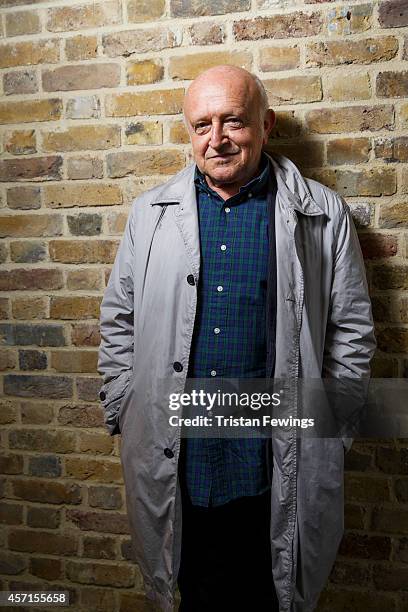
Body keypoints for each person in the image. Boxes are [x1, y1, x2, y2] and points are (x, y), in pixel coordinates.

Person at [97, 65, 376, 612]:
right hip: (182, 459)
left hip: (276, 459)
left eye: (233, 122)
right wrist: (123, 405)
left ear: (265, 125)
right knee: (191, 591)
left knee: (271, 591)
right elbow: (118, 321)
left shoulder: (322, 214)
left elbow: (352, 331)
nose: (216, 139)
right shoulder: (149, 216)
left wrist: (332, 422)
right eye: (202, 125)